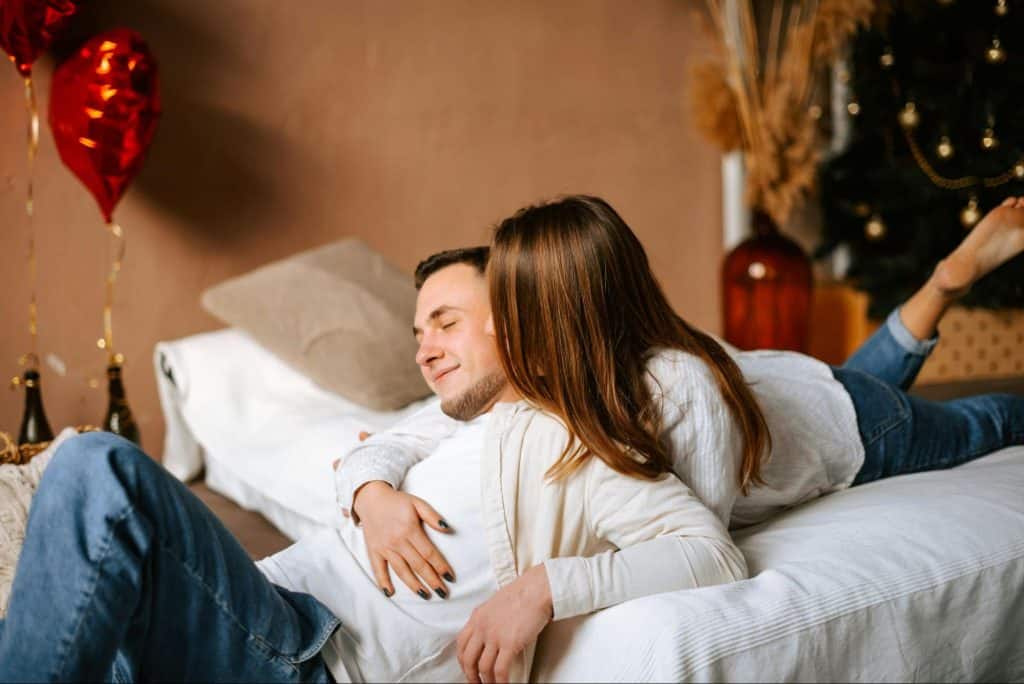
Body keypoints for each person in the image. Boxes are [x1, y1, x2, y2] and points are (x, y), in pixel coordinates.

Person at [0, 245, 747, 683]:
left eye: (447, 323)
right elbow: (375, 449)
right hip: (258, 604)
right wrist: (369, 491)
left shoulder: (572, 443)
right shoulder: (459, 423)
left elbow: (710, 550)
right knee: (85, 480)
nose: (423, 347)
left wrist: (544, 587)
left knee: (100, 468)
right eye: (419, 329)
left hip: (305, 655)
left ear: (517, 324)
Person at [342, 194, 1024, 603]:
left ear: (564, 306)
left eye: (498, 309)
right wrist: (371, 495)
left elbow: (698, 537)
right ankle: (943, 284)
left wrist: (553, 583)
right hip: (780, 385)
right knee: (853, 371)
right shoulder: (536, 368)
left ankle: (945, 283)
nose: (493, 327)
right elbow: (405, 435)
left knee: (974, 419)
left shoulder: (679, 387)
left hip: (847, 425)